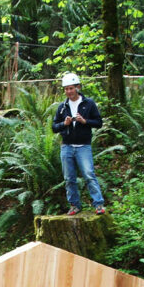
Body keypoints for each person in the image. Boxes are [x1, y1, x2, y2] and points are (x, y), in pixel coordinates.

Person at [51, 72, 105, 216]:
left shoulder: (89, 104)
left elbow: (99, 122)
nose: (69, 92)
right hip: (67, 146)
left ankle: (98, 204)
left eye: (71, 88)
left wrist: (85, 121)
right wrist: (65, 123)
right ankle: (75, 205)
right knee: (69, 178)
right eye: (66, 89)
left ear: (78, 87)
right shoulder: (62, 106)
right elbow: (54, 127)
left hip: (83, 146)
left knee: (89, 174)